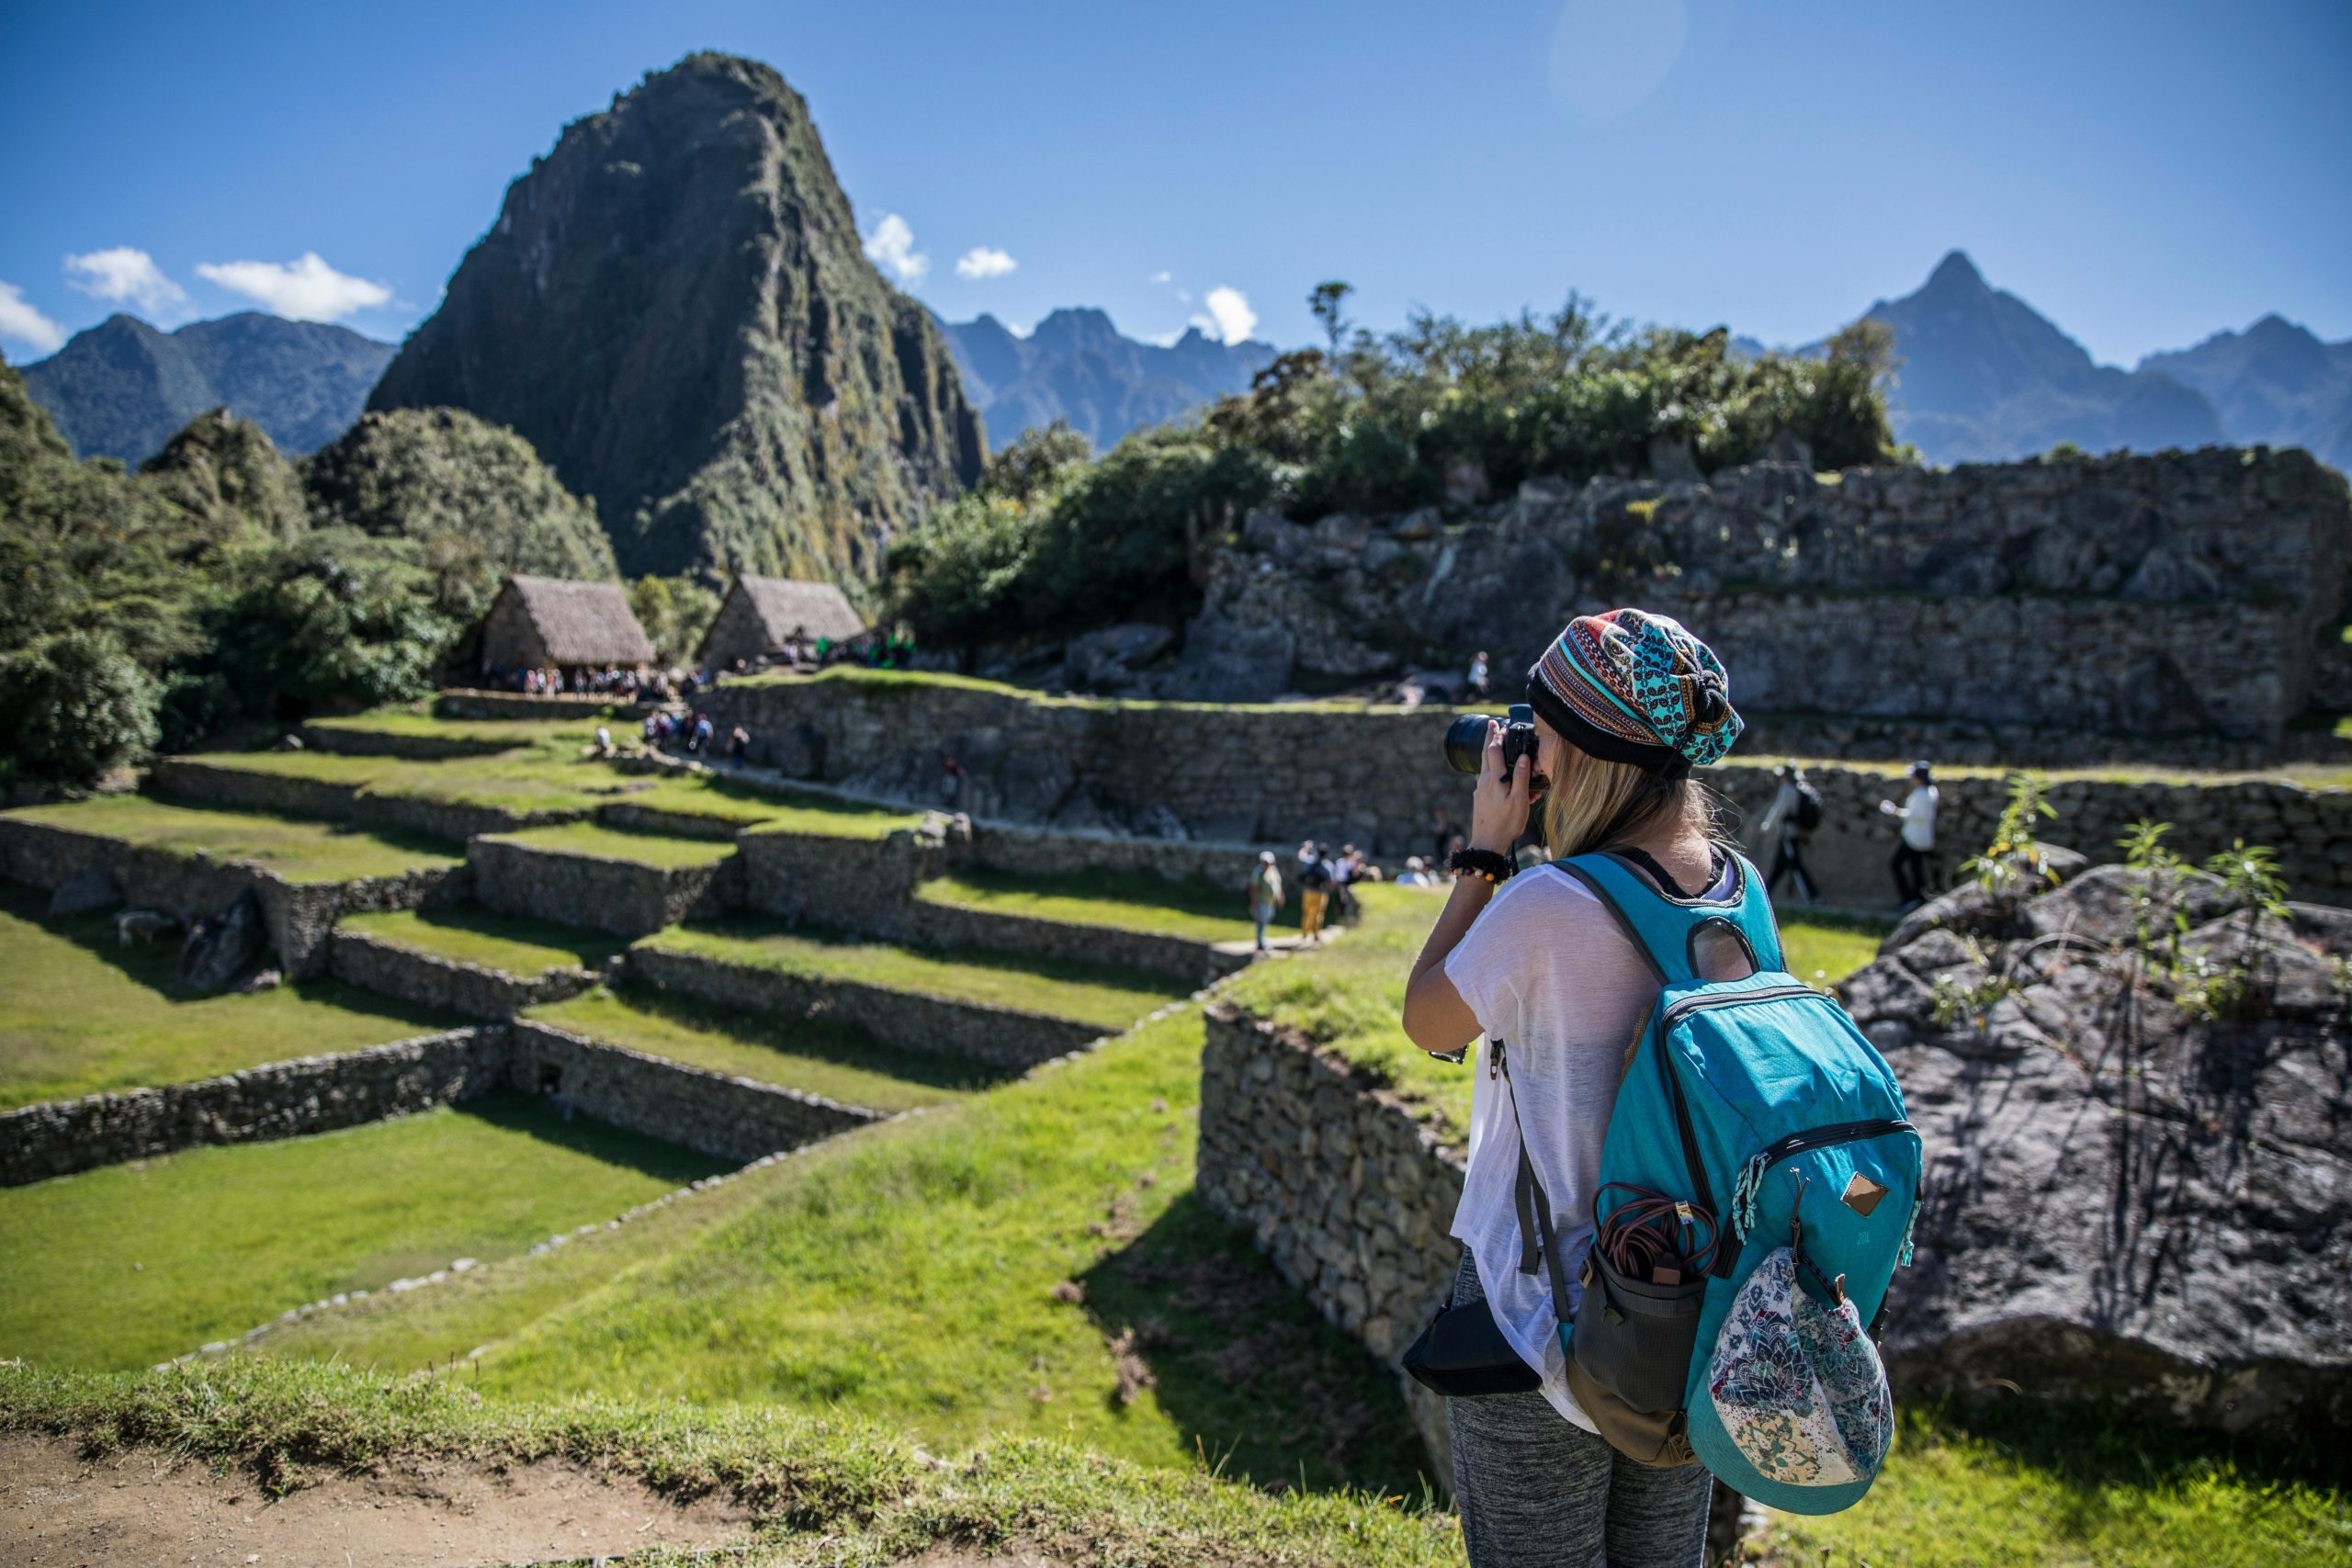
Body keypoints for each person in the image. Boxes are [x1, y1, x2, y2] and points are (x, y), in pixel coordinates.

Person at [1399, 607, 1745, 1568]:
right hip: (1685, 1296)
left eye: (1539, 728)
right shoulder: (1739, 893)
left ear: (1587, 754)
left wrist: (1483, 854)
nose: (1522, 748)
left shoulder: (1550, 903)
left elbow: (1428, 1019)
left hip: (1542, 1312)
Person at [1757, 762, 1821, 902]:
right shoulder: (1801, 788)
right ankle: (1765, 895)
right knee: (1780, 865)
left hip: (1789, 833)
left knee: (1795, 866)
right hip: (1795, 832)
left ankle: (1812, 897)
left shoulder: (1787, 789)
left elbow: (1779, 810)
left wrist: (1766, 827)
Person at [1880, 760, 1939, 910]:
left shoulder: (1922, 794)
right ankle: (1918, 899)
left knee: (1896, 864)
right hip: (1923, 838)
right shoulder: (1931, 792)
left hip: (1914, 838)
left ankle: (1909, 898)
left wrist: (1895, 811)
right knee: (1916, 868)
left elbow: (1916, 815)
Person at [1248, 851, 1286, 952]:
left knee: (1266, 921)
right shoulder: (1257, 872)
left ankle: (1262, 942)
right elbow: (1253, 889)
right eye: (1265, 862)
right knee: (1261, 923)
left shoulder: (1274, 871)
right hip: (1261, 902)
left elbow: (1278, 885)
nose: (1266, 864)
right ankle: (1261, 943)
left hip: (1270, 903)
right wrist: (1253, 904)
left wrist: (1280, 897)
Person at [1296, 841, 1333, 943]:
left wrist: (1305, 847)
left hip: (1308, 891)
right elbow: (1331, 881)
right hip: (1321, 893)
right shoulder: (1328, 866)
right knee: (1319, 914)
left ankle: (1305, 934)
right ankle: (1316, 935)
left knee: (1307, 913)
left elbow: (1300, 856)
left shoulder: (1310, 861)